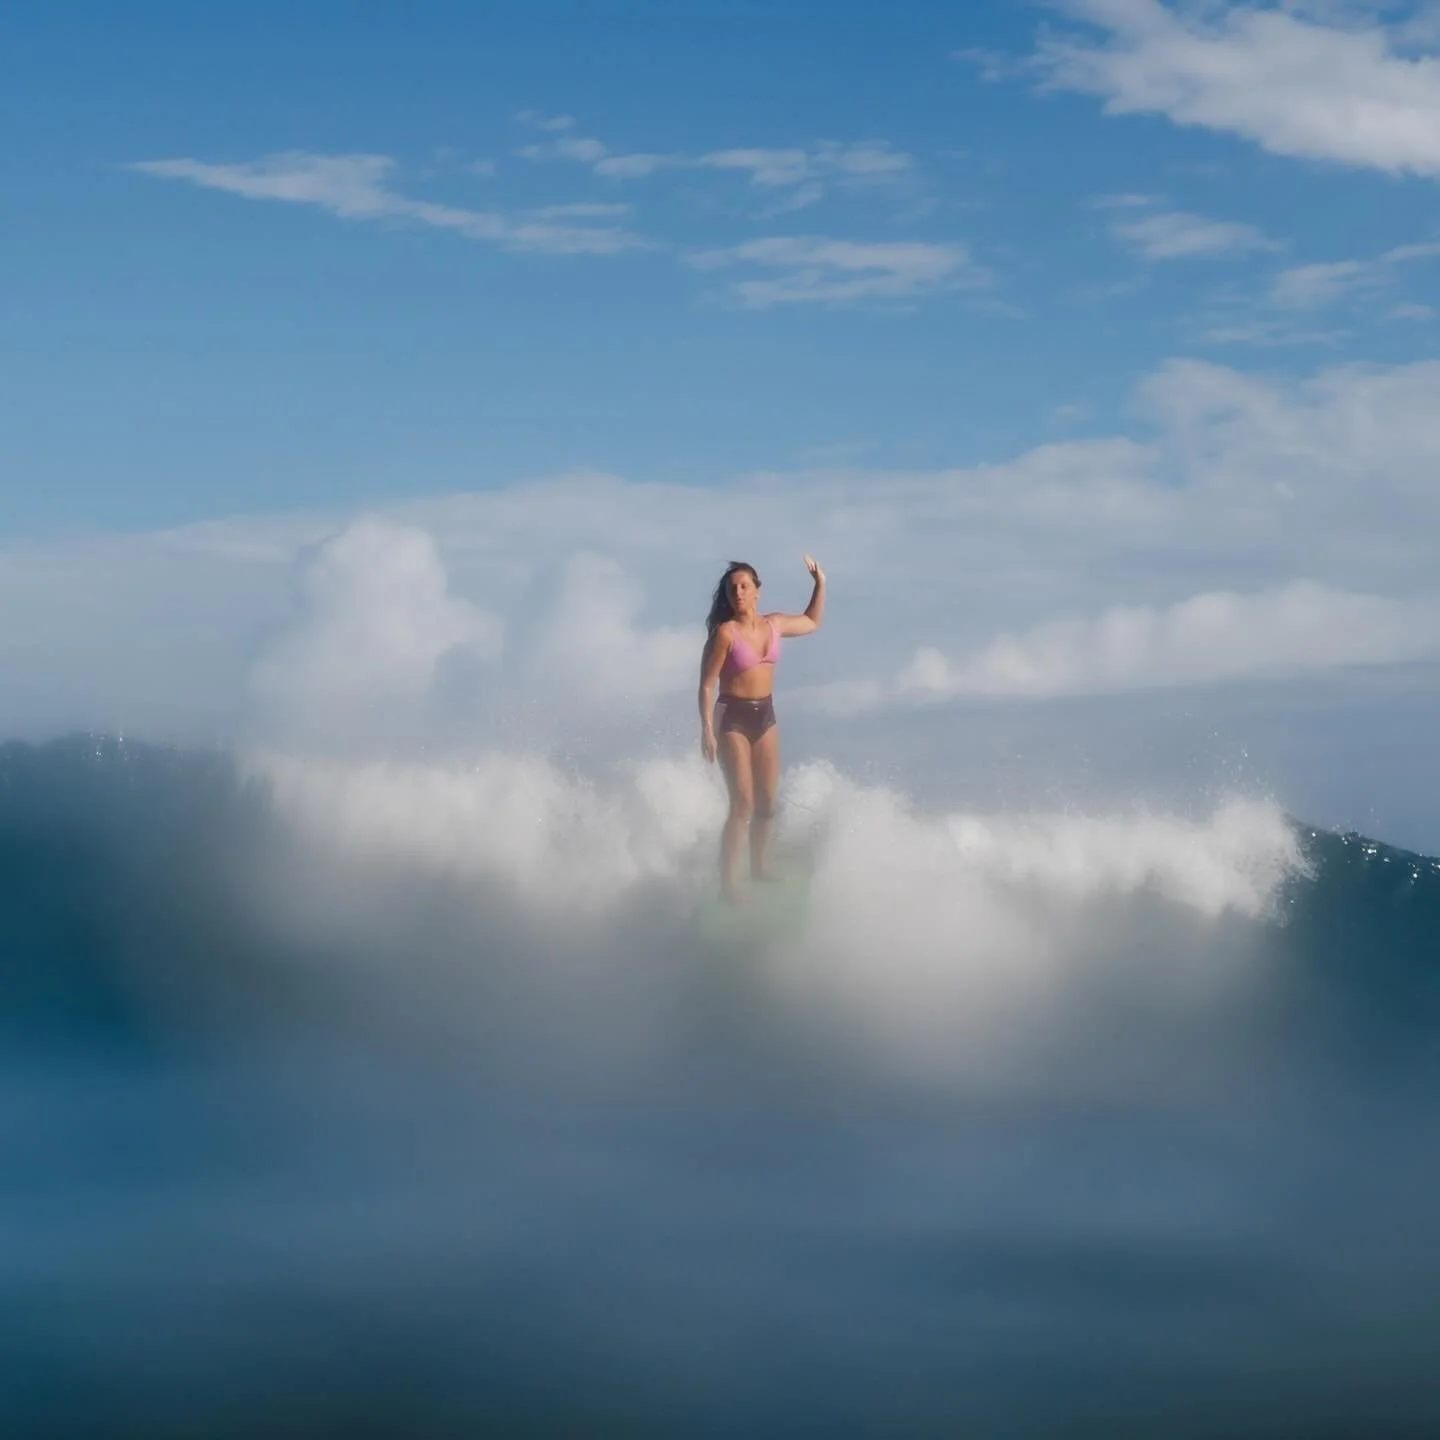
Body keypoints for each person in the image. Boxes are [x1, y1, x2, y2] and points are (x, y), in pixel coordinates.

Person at [698, 554, 826, 903]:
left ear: (757, 591)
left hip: (765, 714)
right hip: (732, 718)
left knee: (768, 804)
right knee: (743, 804)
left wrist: (820, 585)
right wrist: (707, 729)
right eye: (731, 588)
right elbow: (707, 685)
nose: (738, 592)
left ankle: (760, 865)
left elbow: (812, 622)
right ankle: (729, 884)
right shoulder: (726, 634)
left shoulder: (775, 625)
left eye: (744, 586)